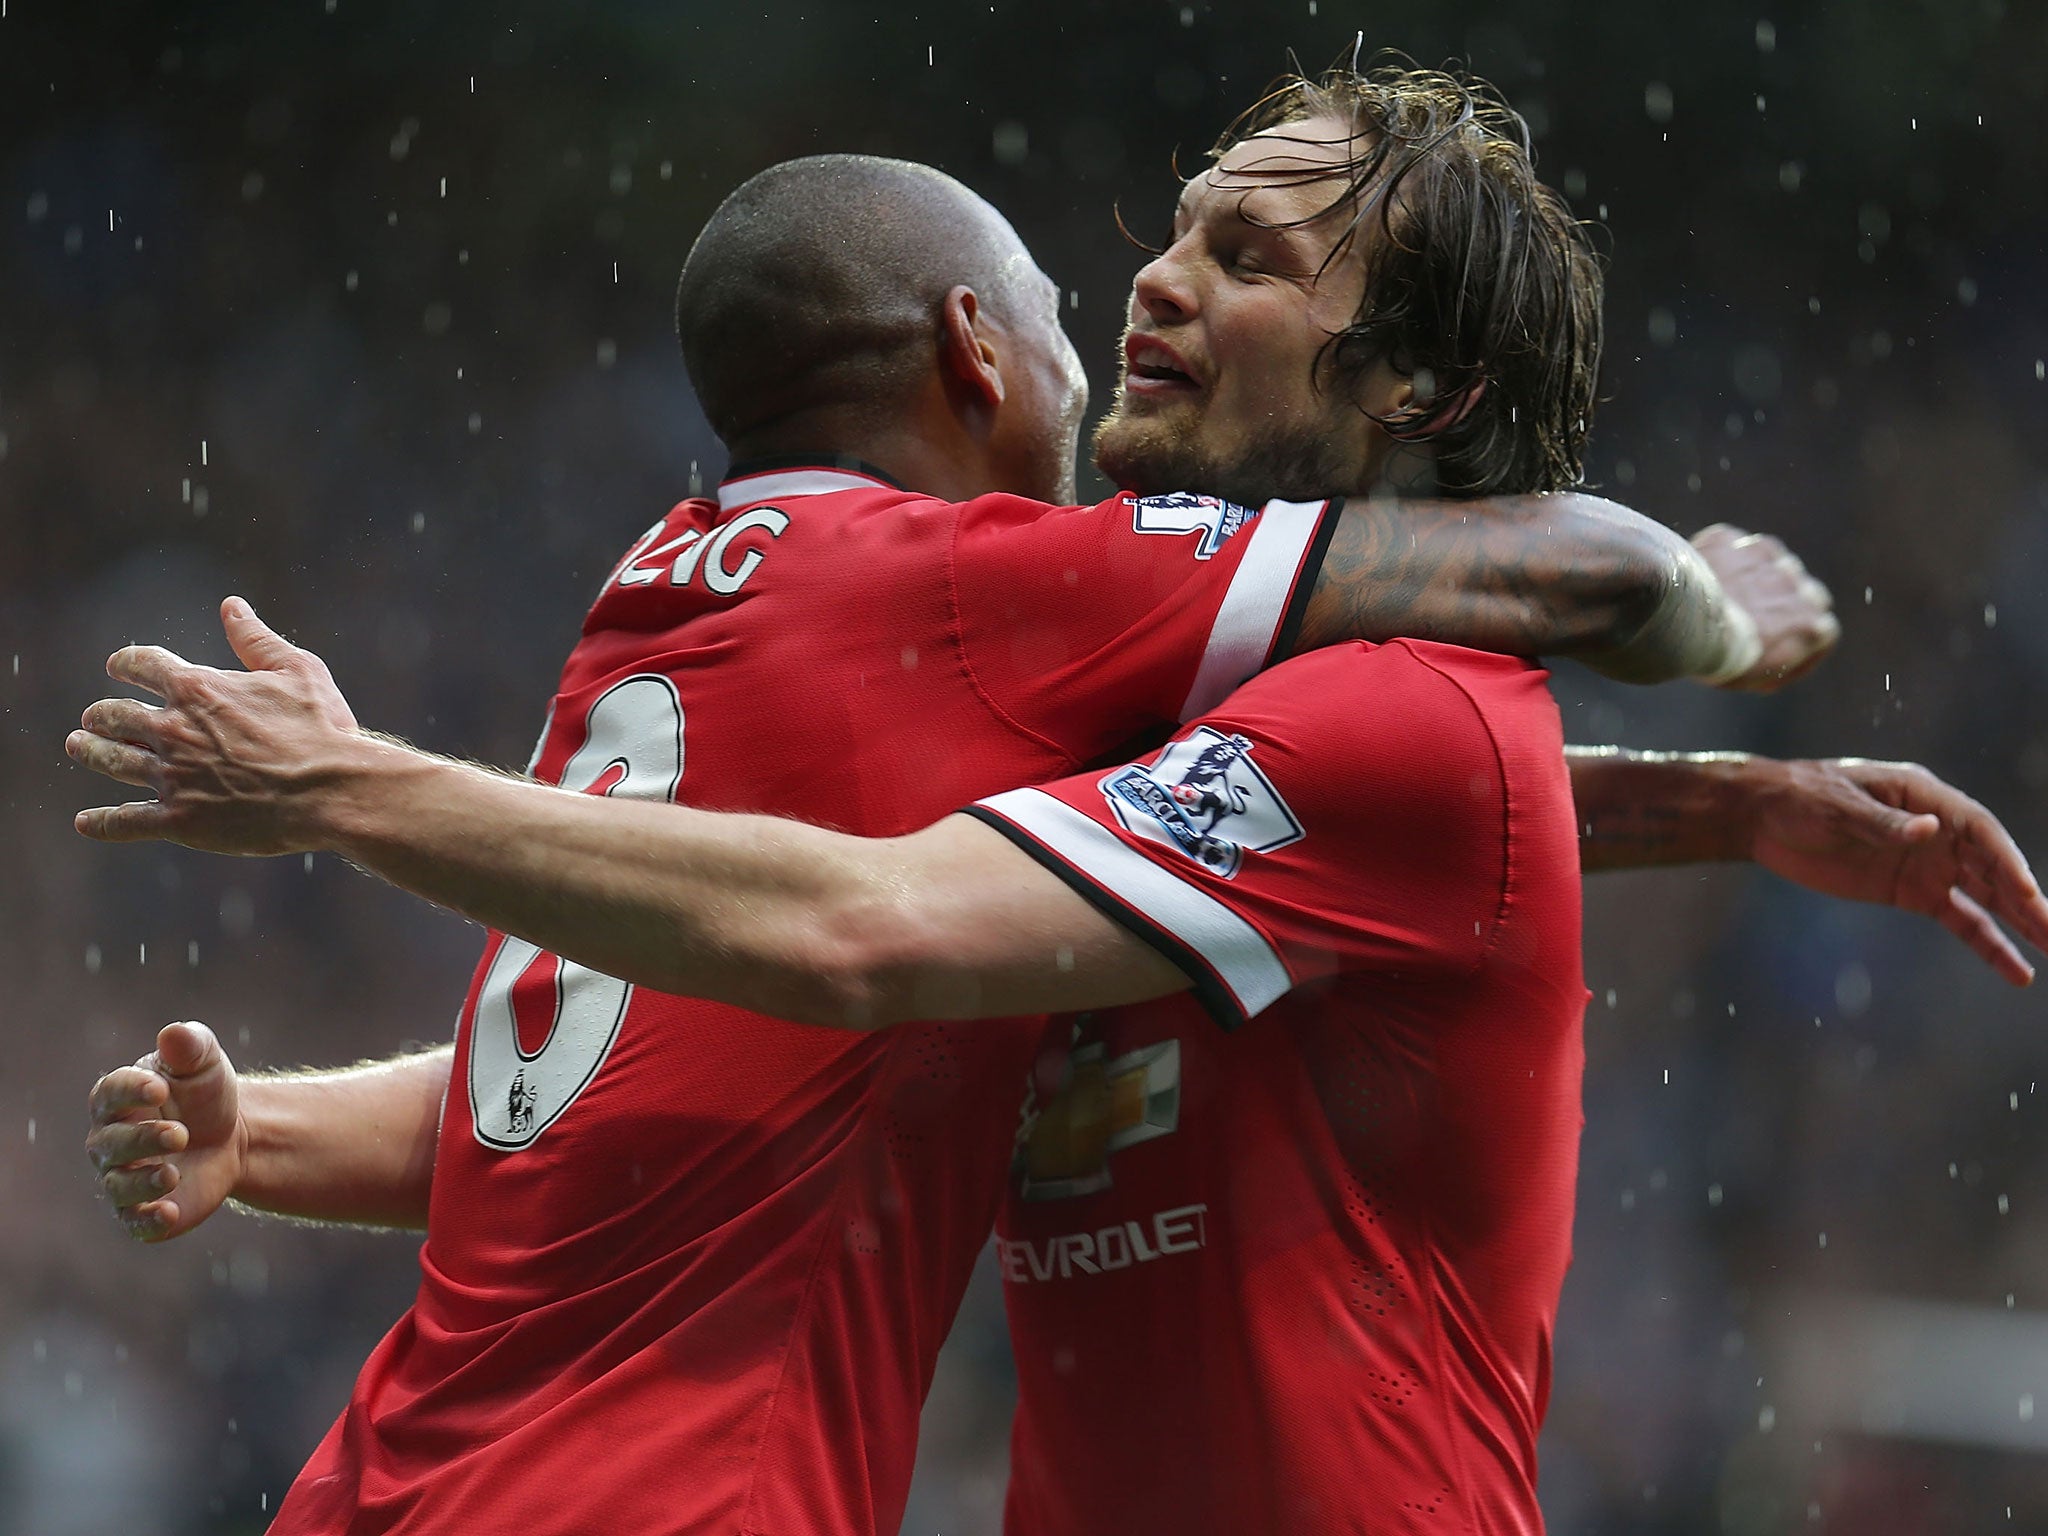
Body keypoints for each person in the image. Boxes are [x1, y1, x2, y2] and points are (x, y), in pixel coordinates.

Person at [72, 67, 2046, 1532]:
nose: (1152, 288)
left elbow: (868, 936)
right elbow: (689, 1052)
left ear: (1423, 390)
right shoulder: (1123, 748)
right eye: (1172, 232)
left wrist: (358, 788)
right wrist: (283, 1130)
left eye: (1248, 255)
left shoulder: (1397, 718)